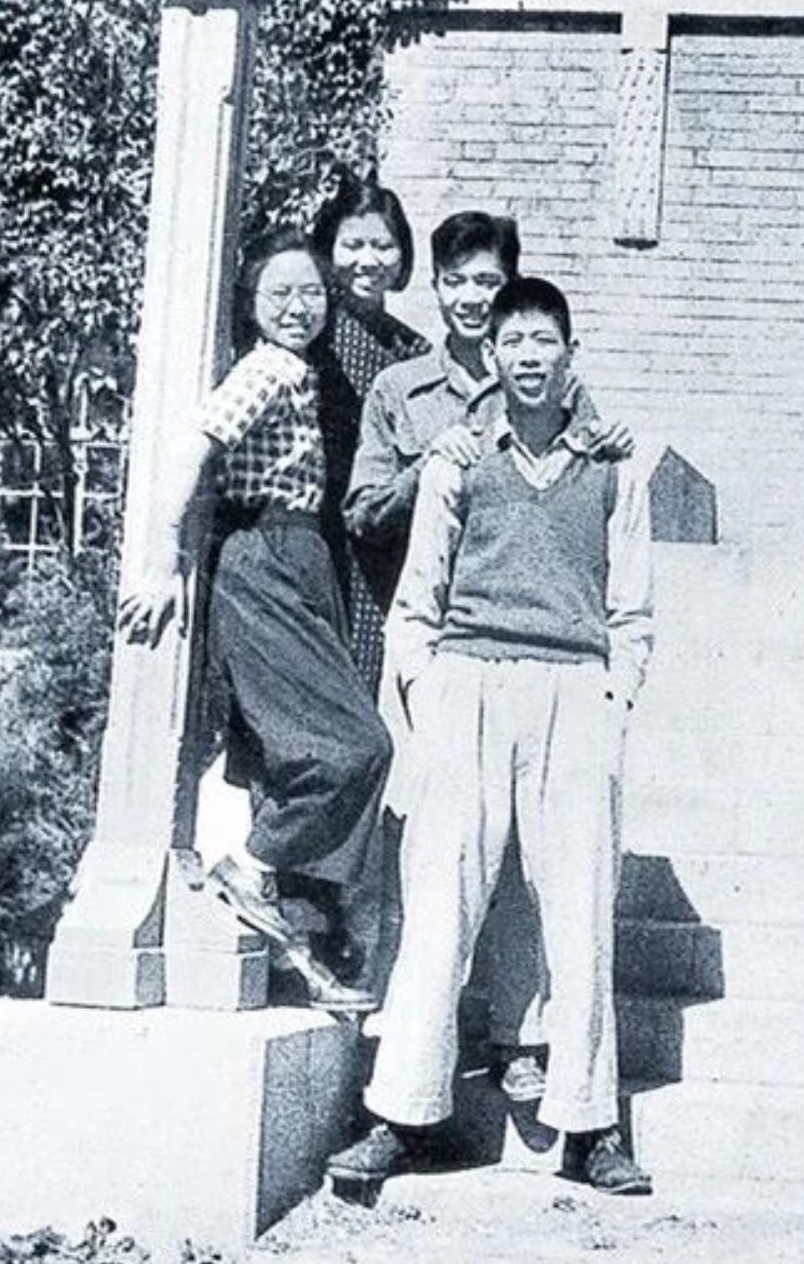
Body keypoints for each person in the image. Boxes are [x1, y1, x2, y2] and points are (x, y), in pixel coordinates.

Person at [327, 276, 654, 1195]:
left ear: (570, 353)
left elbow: (632, 611)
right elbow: (415, 602)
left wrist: (612, 698)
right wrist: (428, 694)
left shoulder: (614, 466)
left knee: (579, 912)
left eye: (545, 340)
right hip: (468, 685)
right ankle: (400, 1116)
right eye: (513, 341)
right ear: (495, 356)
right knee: (440, 903)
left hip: (572, 694)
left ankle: (591, 1129)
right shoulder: (459, 460)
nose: (529, 357)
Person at [117, 229, 393, 1013]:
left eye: (311, 293)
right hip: (266, 555)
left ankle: (295, 928)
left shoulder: (301, 371)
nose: (299, 308)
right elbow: (190, 447)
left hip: (301, 555)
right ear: (251, 303)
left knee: (310, 750)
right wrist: (160, 560)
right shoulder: (266, 368)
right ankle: (253, 865)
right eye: (280, 294)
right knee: (355, 746)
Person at [312, 171, 429, 697]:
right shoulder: (309, 332)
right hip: (311, 533)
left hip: (375, 545)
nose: (369, 260)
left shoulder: (414, 353)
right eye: (353, 244)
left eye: (382, 246)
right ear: (329, 249)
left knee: (358, 687)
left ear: (402, 257)